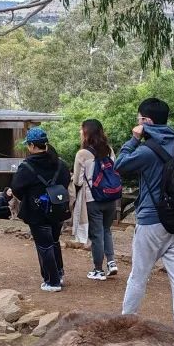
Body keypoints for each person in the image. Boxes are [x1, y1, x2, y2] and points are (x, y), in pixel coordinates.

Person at [115, 97, 174, 330]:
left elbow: (120, 165)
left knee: (139, 275)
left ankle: (125, 322)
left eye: (138, 119)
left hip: (152, 220)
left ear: (146, 121)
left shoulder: (146, 150)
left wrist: (134, 138)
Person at [10, 128, 71, 293]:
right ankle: (59, 274)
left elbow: (16, 188)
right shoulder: (60, 163)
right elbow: (66, 181)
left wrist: (29, 197)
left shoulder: (27, 166)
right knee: (54, 241)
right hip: (58, 208)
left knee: (44, 245)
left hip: (37, 211)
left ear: (31, 145)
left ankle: (52, 281)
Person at [71, 119, 119, 281]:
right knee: (107, 230)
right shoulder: (109, 150)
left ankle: (98, 270)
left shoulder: (82, 154)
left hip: (93, 199)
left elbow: (78, 181)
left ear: (86, 133)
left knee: (97, 234)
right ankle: (111, 262)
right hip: (110, 197)